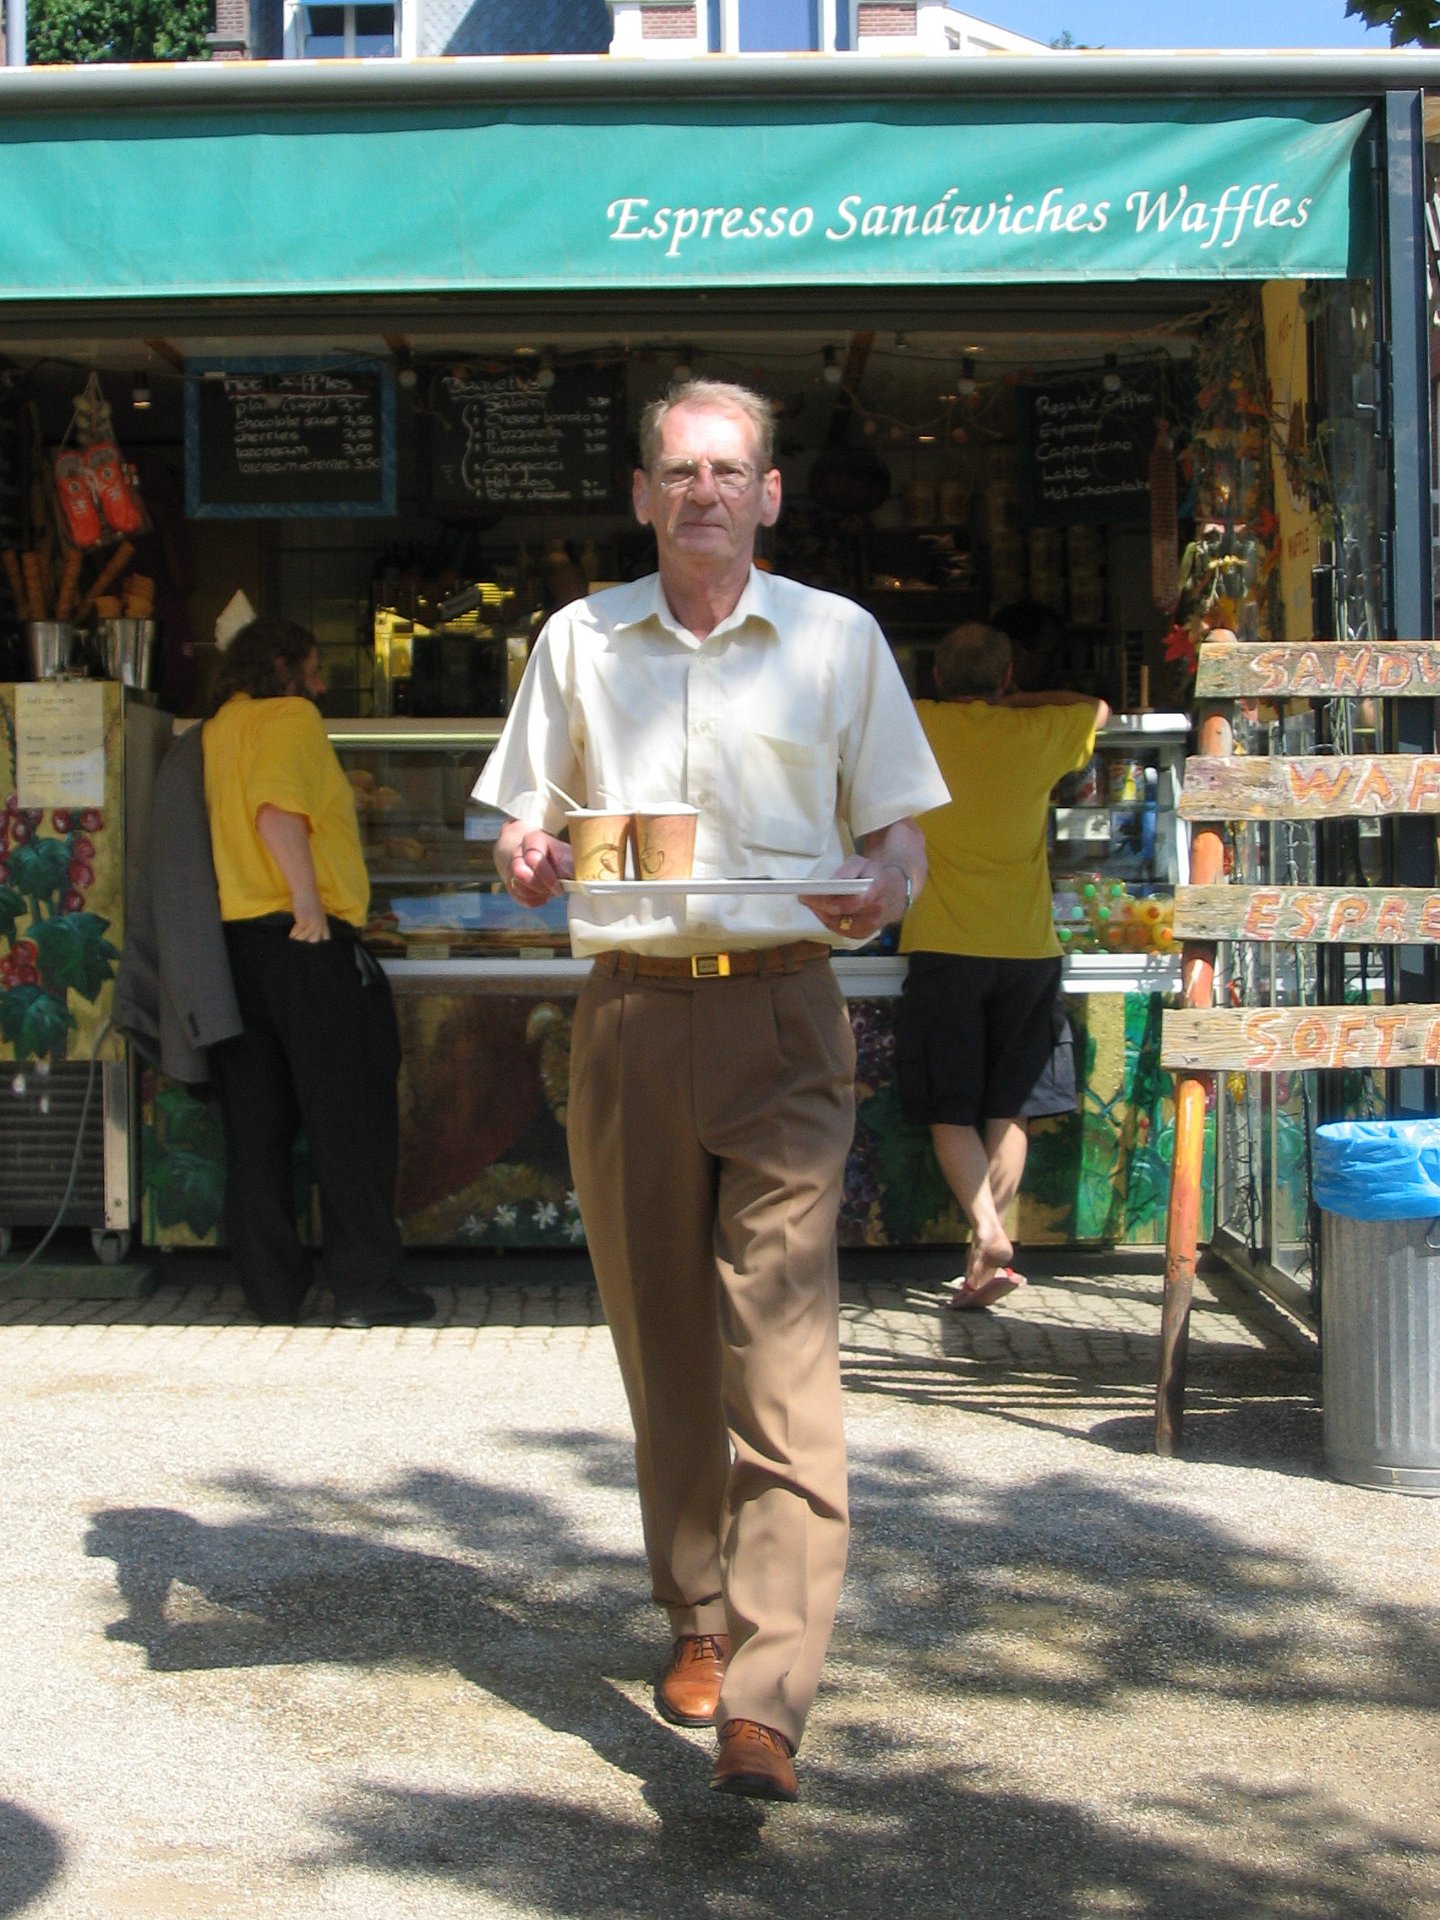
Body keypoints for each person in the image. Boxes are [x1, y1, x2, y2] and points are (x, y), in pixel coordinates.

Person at [474, 378, 947, 1802]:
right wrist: (523, 854)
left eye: (729, 470)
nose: (704, 493)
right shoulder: (579, 640)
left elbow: (902, 838)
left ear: (769, 494)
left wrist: (883, 885)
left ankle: (768, 1695)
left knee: (782, 1350)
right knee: (665, 1345)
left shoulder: (838, 639)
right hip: (630, 1017)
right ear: (641, 495)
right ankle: (696, 1613)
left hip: (787, 1014)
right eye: (679, 470)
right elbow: (522, 820)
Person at [202, 616, 435, 1330]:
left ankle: (272, 1290)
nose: (322, 685)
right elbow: (277, 812)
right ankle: (365, 1285)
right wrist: (309, 905)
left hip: (238, 947)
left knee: (257, 1126)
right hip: (304, 939)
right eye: (313, 668)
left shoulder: (220, 726)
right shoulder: (290, 718)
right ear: (282, 668)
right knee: (349, 1118)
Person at [897, 621, 1109, 1309]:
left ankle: (987, 1234)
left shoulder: (917, 721)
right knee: (1008, 1106)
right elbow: (1098, 707)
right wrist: (1015, 702)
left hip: (943, 945)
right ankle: (983, 1255)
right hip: (1028, 949)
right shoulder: (1037, 730)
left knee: (949, 1106)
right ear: (1008, 675)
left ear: (936, 677)